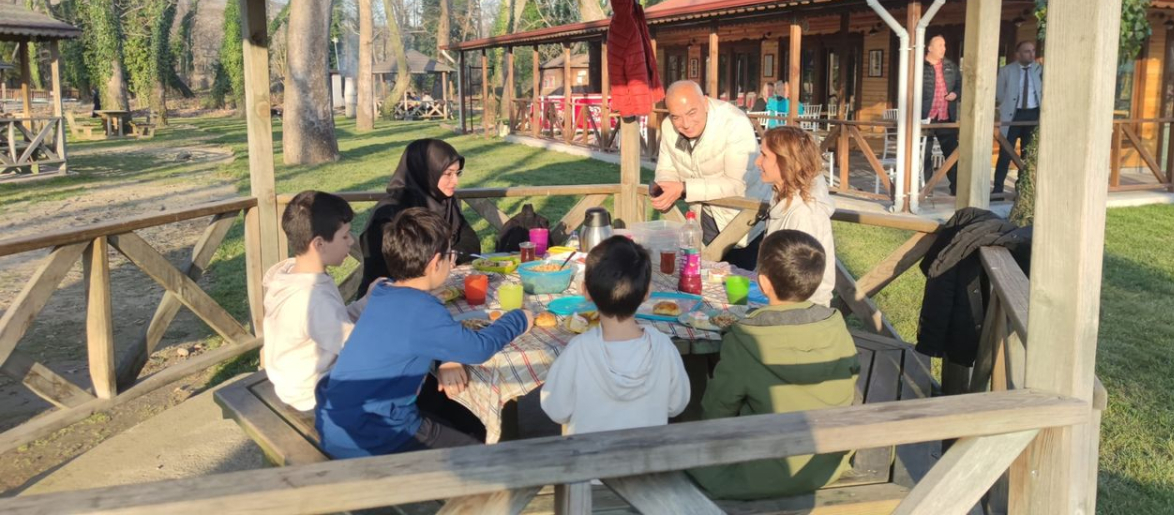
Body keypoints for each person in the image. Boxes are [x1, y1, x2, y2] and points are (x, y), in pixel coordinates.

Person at [317, 208, 533, 458]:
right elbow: (478, 348)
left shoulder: (383, 290)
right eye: (450, 255)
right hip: (371, 433)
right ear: (434, 263)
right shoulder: (422, 310)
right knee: (475, 452)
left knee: (467, 424)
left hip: (337, 419)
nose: (452, 262)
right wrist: (517, 319)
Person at [688, 230, 859, 500]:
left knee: (682, 430)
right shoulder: (836, 325)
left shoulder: (747, 337)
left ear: (763, 283)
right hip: (826, 464)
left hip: (759, 473)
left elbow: (717, 410)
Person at [540, 236, 690, 434]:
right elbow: (676, 405)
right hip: (647, 462)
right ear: (647, 293)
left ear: (585, 291)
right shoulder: (663, 346)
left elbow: (556, 409)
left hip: (590, 461)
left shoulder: (579, 349)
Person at [263, 191, 372, 413]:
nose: (351, 241)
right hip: (312, 396)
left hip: (292, 384)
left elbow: (332, 322)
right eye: (344, 236)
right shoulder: (311, 297)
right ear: (319, 244)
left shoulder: (294, 274)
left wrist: (367, 301)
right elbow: (359, 350)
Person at [651, 80, 765, 254]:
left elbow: (736, 183)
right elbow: (666, 169)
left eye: (691, 113)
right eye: (676, 117)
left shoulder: (734, 123)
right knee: (704, 277)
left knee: (739, 279)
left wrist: (683, 188)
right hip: (702, 221)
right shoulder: (668, 126)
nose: (686, 124)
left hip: (744, 223)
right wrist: (666, 187)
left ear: (705, 102)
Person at [728, 126, 836, 307]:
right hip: (780, 301)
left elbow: (800, 284)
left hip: (800, 313)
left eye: (764, 156)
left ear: (786, 162)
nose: (757, 162)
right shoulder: (782, 197)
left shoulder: (805, 214)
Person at [358, 139, 481, 297]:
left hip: (435, 291)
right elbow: (383, 267)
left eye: (457, 173)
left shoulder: (445, 200)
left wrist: (453, 254)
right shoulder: (391, 210)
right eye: (448, 174)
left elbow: (471, 241)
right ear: (427, 172)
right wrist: (437, 262)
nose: (455, 181)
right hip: (387, 298)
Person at [993, 41, 1042, 193]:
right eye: (1027, 51)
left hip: (1033, 114)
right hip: (1013, 115)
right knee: (1006, 153)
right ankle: (998, 189)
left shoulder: (1040, 70)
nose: (1031, 54)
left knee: (1027, 154)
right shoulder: (1006, 71)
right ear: (1018, 54)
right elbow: (1000, 94)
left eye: (1033, 51)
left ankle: (1022, 189)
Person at [921, 36, 961, 195]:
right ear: (929, 48)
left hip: (945, 118)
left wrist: (955, 94)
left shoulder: (951, 66)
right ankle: (927, 189)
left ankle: (956, 188)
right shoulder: (919, 65)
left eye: (944, 45)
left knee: (952, 154)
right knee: (924, 154)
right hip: (925, 118)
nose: (943, 48)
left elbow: (961, 85)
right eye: (939, 45)